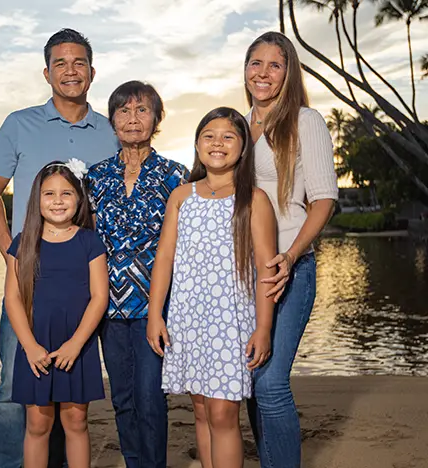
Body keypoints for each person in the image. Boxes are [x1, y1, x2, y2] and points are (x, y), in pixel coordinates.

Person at [0, 28, 119, 468]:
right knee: (12, 386)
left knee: (74, 392)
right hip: (29, 278)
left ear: (92, 73)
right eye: (60, 63)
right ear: (46, 72)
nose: (70, 70)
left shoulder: (110, 131)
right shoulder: (19, 124)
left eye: (79, 62)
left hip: (84, 282)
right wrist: (10, 250)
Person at [147, 107, 277, 468]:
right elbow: (165, 260)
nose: (217, 143)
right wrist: (155, 314)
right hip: (188, 320)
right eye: (209, 135)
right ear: (197, 145)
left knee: (222, 415)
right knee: (201, 412)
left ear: (242, 148)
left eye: (228, 136)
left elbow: (267, 270)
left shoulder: (254, 200)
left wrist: (263, 328)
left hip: (230, 323)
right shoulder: (181, 196)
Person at [243, 31, 339, 468]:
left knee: (271, 383)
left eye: (275, 65)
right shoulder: (240, 124)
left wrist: (292, 254)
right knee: (251, 376)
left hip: (288, 269)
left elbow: (324, 200)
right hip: (243, 271)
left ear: (289, 72)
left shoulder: (305, 121)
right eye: (256, 63)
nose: (264, 73)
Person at [86, 81, 189, 468]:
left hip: (155, 306)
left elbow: (184, 245)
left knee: (150, 396)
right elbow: (88, 242)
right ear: (112, 119)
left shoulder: (175, 176)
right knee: (123, 398)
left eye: (142, 110)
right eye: (124, 111)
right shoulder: (95, 178)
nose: (133, 119)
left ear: (156, 118)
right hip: (106, 306)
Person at [5, 160, 108, 468]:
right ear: (37, 199)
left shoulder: (90, 241)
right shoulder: (24, 242)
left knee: (76, 421)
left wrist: (76, 344)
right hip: (35, 345)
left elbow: (99, 297)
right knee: (38, 425)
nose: (58, 201)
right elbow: (12, 299)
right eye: (49, 194)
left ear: (79, 199)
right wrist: (30, 346)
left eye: (66, 193)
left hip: (78, 344)